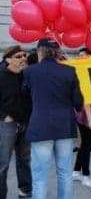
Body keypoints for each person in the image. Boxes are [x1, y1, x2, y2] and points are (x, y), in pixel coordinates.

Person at [23, 38, 84, 199]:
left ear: (39, 52)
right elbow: (78, 103)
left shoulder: (29, 71)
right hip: (64, 127)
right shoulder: (69, 71)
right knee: (65, 173)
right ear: (57, 53)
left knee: (40, 176)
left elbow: (24, 100)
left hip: (40, 126)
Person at [0, 46, 32, 199]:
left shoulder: (25, 75)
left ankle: (25, 190)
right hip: (7, 125)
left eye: (24, 55)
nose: (23, 59)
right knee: (3, 162)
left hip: (24, 123)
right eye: (19, 56)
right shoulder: (1, 75)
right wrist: (4, 115)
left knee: (24, 158)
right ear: (8, 60)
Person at [72, 48, 91, 188]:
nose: (81, 58)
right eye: (79, 55)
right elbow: (86, 98)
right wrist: (89, 118)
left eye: (83, 55)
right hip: (86, 114)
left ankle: (76, 171)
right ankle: (86, 176)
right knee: (87, 146)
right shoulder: (82, 73)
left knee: (85, 145)